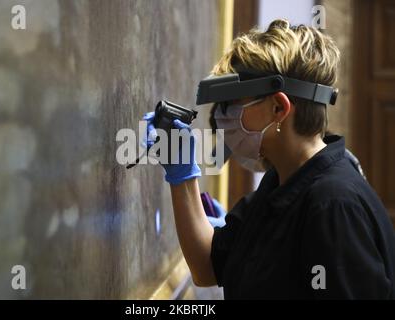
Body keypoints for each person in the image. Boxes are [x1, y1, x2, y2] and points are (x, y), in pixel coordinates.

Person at [143, 19, 395, 299]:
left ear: (278, 108)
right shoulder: (282, 182)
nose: (220, 117)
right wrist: (183, 177)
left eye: (232, 104)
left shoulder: (332, 205)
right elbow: (207, 267)